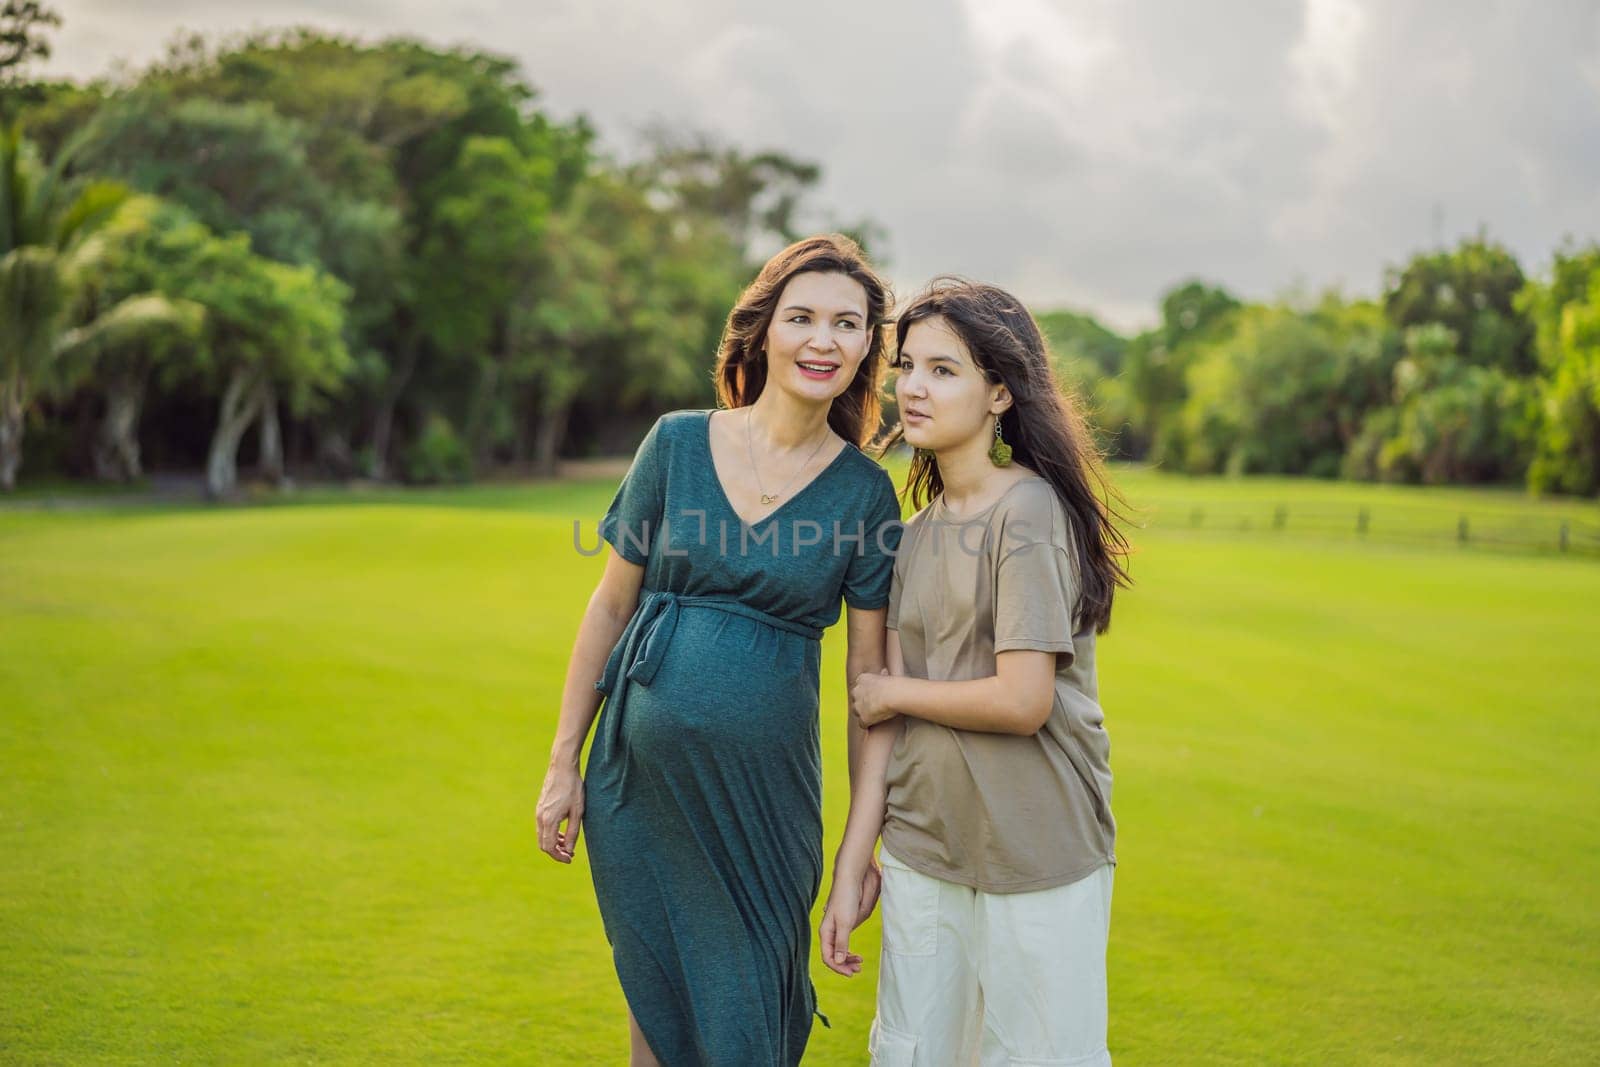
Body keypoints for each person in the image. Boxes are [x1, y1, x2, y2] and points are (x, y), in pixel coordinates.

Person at [535, 234, 903, 1067]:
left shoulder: (864, 492)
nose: (822, 339)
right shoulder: (674, 444)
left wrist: (858, 847)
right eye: (802, 316)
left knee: (748, 1030)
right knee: (658, 1017)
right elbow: (608, 606)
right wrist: (564, 761)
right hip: (640, 789)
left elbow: (868, 685)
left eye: (847, 325)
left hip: (764, 809)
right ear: (764, 328)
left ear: (865, 352)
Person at [820, 277, 1132, 1066]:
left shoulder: (1027, 512)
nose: (913, 388)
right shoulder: (913, 533)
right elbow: (880, 725)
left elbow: (1024, 699)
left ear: (1000, 392)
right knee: (913, 1053)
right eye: (907, 366)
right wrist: (856, 856)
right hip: (925, 848)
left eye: (943, 370)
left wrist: (895, 690)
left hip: (1037, 850)